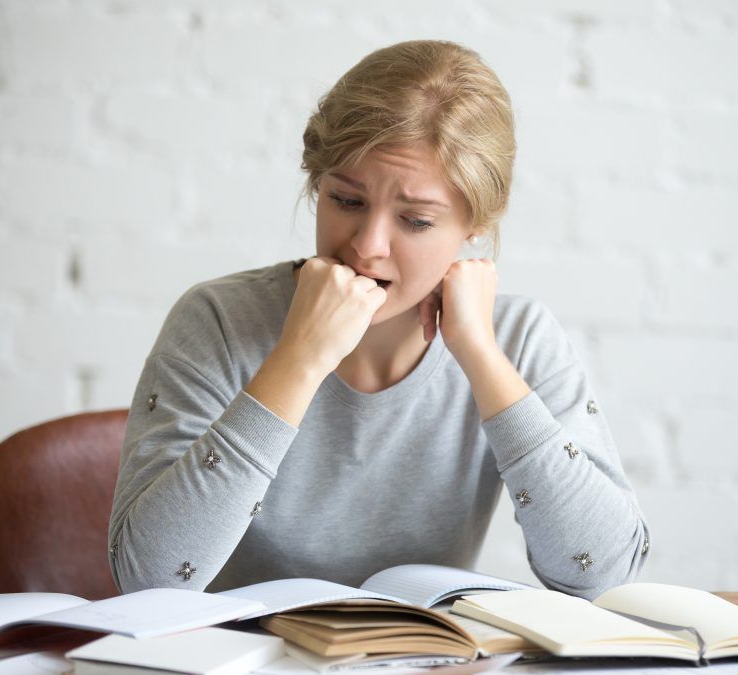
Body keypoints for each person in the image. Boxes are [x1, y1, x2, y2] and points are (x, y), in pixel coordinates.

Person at [108, 39, 649, 601]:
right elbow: (148, 578)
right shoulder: (219, 320)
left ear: (476, 225)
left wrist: (481, 357)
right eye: (346, 201)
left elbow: (603, 572)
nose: (367, 246)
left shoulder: (520, 339)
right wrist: (299, 359)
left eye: (415, 221)